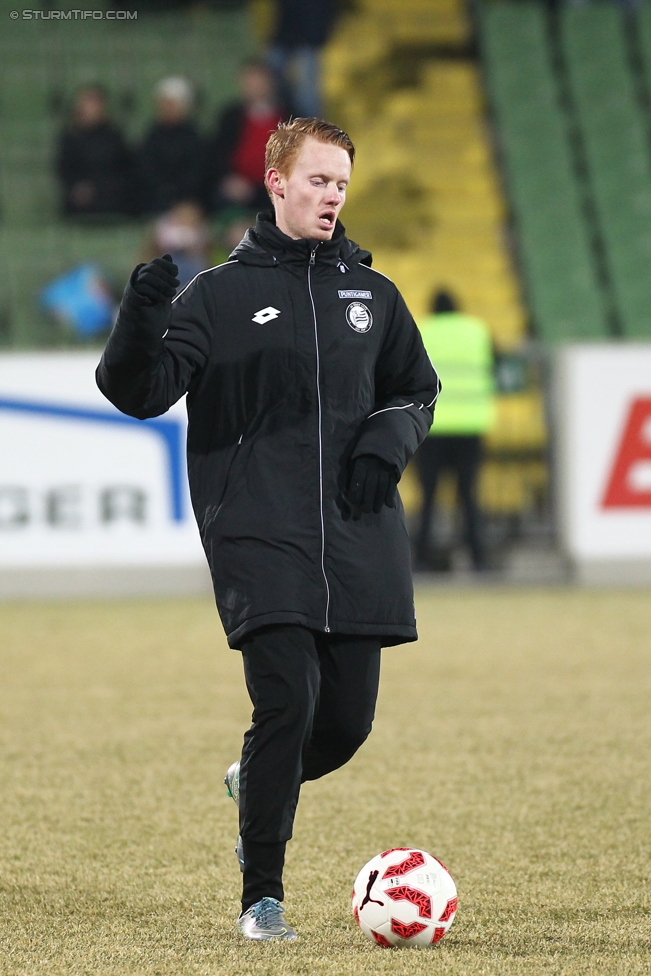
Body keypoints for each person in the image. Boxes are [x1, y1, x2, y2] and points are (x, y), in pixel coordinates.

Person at [96, 117, 439, 941]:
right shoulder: (215, 295)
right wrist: (141, 318)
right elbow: (136, 391)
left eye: (342, 185)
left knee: (346, 724)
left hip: (356, 528)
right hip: (257, 526)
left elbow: (416, 390)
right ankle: (263, 899)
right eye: (318, 181)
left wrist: (383, 448)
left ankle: (249, 777)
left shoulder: (374, 294)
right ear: (276, 181)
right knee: (286, 699)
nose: (332, 197)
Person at [414, 290, 495, 572]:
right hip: (470, 426)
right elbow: (496, 367)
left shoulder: (422, 330)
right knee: (469, 497)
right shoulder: (477, 331)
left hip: (430, 428)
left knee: (428, 498)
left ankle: (420, 560)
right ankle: (478, 559)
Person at [205, 60, 286, 216]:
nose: (253, 87)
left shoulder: (288, 116)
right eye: (248, 82)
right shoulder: (231, 117)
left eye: (258, 81)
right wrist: (228, 178)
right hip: (238, 186)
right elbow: (217, 153)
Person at [56, 85, 133, 218]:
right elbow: (65, 171)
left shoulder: (114, 137)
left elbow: (126, 169)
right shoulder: (70, 139)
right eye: (86, 102)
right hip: (82, 202)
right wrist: (79, 189)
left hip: (112, 198)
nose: (90, 108)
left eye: (94, 102)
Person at [137, 77, 204, 215]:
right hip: (156, 198)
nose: (167, 108)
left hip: (188, 198)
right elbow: (146, 169)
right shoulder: (151, 135)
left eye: (172, 104)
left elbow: (197, 172)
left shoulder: (194, 137)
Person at [267, 0, 338, 118]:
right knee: (270, 79)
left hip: (312, 39)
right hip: (284, 36)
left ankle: (312, 129)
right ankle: (278, 119)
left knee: (306, 91)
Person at [141, 201, 212, 291]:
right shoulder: (165, 228)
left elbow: (205, 253)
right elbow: (155, 250)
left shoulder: (200, 230)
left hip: (192, 264)